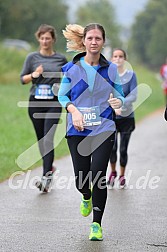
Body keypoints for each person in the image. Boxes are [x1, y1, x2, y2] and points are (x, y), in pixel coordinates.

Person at [58, 23, 124, 241]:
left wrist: (117, 101)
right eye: (90, 38)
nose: (94, 42)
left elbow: (120, 95)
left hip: (103, 128)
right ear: (84, 41)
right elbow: (62, 96)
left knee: (98, 175)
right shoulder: (72, 68)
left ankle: (96, 224)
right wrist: (73, 110)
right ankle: (86, 195)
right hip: (77, 129)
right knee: (81, 180)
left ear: (103, 42)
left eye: (98, 38)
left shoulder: (111, 69)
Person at [20, 24, 67, 192]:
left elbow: (69, 77)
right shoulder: (32, 58)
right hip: (35, 102)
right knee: (41, 140)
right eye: (42, 38)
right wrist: (33, 75)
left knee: (48, 139)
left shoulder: (60, 59)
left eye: (48, 38)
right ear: (38, 39)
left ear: (53, 39)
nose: (45, 41)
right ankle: (50, 167)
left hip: (54, 103)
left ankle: (46, 176)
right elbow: (22, 79)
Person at [107, 48, 138, 189]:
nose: (118, 59)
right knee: (112, 148)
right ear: (112, 59)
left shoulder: (131, 75)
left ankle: (122, 175)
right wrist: (114, 107)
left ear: (124, 59)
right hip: (111, 117)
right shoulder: (108, 76)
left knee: (123, 149)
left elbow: (134, 95)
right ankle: (113, 172)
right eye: (115, 56)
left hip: (127, 117)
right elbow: (105, 94)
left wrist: (121, 103)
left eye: (120, 56)